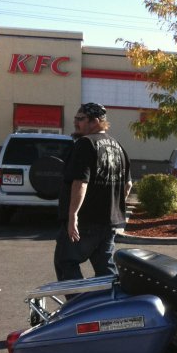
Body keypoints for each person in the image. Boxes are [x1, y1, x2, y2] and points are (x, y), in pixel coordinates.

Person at [54, 102, 132, 281]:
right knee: (105, 270)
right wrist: (111, 204)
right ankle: (110, 307)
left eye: (80, 119)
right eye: (75, 118)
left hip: (85, 222)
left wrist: (73, 215)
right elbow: (128, 186)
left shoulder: (85, 143)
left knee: (66, 262)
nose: (76, 122)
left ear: (95, 121)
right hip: (109, 223)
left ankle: (79, 305)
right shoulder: (117, 146)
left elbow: (80, 182)